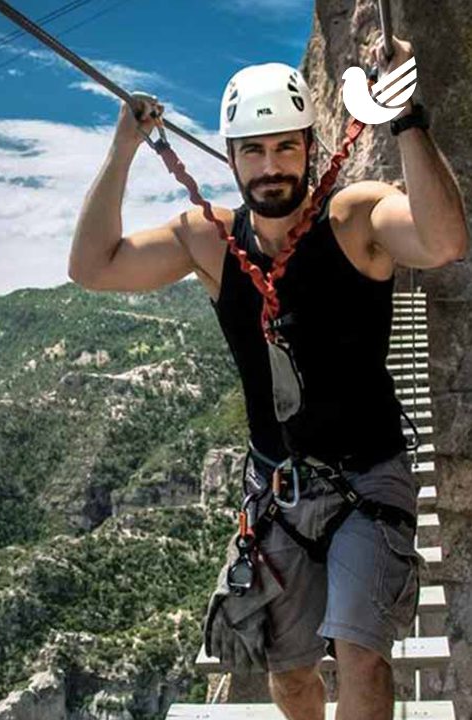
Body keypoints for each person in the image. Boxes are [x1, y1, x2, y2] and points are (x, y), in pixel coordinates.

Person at [68, 37, 467, 720]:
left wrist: (406, 116)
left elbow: (441, 240)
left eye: (286, 147)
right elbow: (93, 266)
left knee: (362, 656)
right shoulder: (210, 240)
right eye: (252, 150)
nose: (270, 166)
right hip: (278, 484)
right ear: (229, 158)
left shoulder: (356, 218)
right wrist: (124, 149)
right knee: (288, 675)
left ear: (312, 147)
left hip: (369, 474)